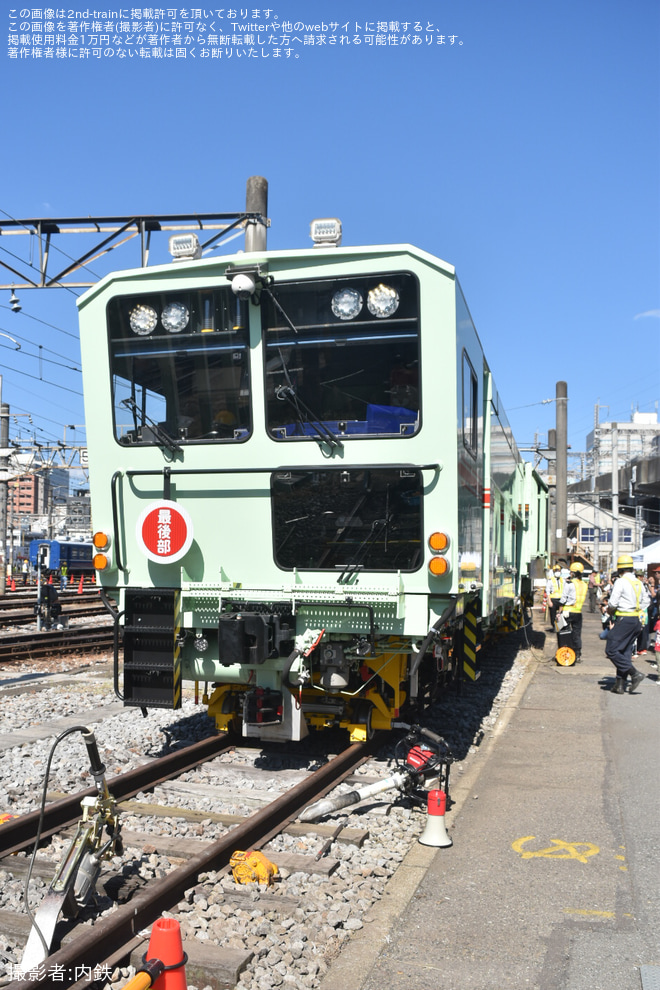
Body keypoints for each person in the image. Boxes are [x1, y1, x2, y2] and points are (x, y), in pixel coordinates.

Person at [605, 554, 651, 694]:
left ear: (620, 569)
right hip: (636, 619)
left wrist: (610, 611)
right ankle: (619, 686)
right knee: (624, 651)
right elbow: (646, 601)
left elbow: (612, 603)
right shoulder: (638, 582)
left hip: (624, 619)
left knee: (611, 650)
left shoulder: (620, 582)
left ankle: (635, 673)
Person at [558, 562, 588, 662]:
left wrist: (559, 612)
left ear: (573, 573)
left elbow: (563, 599)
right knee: (577, 634)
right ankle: (577, 654)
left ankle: (566, 653)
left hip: (567, 611)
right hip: (578, 612)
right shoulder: (584, 585)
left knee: (564, 633)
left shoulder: (569, 584)